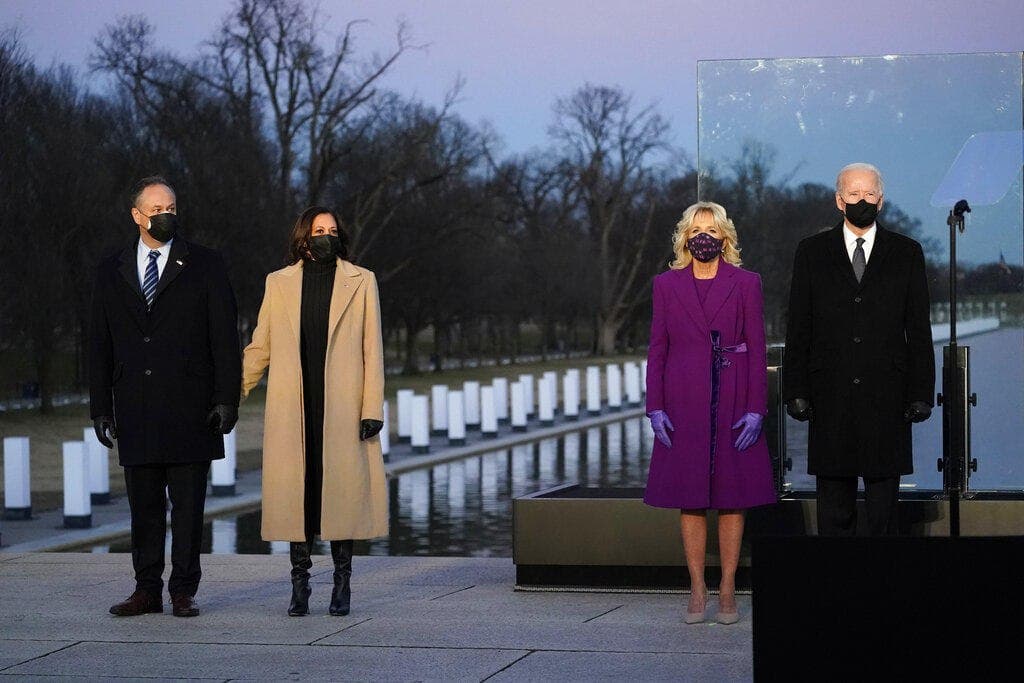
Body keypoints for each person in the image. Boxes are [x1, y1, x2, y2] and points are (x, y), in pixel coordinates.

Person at [90, 176, 241, 618]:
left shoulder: (206, 264)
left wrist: (225, 398)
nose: (165, 214)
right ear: (137, 215)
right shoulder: (109, 269)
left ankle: (183, 590)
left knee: (190, 507)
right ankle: (146, 589)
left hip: (191, 407)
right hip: (135, 406)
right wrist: (101, 406)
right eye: (156, 208)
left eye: (171, 206)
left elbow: (225, 338)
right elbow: (99, 342)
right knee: (145, 507)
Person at [241, 206, 387, 617]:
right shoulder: (278, 283)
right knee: (298, 497)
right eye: (319, 230)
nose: (326, 236)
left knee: (341, 496)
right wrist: (232, 392)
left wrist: (371, 406)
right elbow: (261, 346)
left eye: (333, 230)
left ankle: (342, 583)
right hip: (295, 406)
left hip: (343, 406)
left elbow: (371, 350)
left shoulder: (362, 281)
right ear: (303, 237)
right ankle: (299, 584)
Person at [783, 162, 935, 537]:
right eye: (854, 194)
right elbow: (799, 326)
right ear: (839, 200)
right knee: (834, 511)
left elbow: (918, 328)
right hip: (829, 397)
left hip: (888, 399)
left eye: (869, 194)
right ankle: (836, 592)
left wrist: (921, 393)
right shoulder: (811, 252)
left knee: (884, 512)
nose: (862, 200)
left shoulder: (907, 252)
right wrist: (796, 390)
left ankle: (880, 592)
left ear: (881, 200)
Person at [644, 201, 776, 625]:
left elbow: (757, 347)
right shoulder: (666, 285)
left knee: (733, 498)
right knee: (691, 499)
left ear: (724, 236)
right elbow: (657, 349)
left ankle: (728, 588)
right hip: (683, 399)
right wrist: (655, 406)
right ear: (685, 236)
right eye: (697, 229)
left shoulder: (746, 283)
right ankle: (697, 587)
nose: (704, 236)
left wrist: (757, 408)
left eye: (712, 229)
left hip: (734, 397)